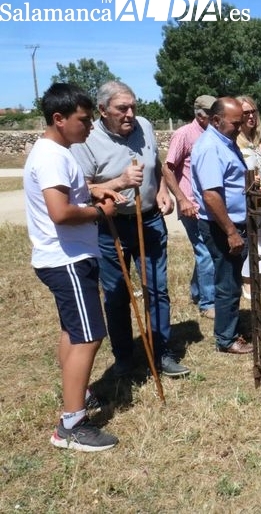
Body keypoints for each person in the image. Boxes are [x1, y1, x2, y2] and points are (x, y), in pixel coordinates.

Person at [24, 83, 123, 451]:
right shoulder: (52, 156)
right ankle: (71, 424)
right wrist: (100, 211)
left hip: (66, 257)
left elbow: (67, 193)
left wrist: (93, 190)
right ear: (59, 118)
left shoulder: (56, 152)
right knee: (88, 336)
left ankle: (76, 395)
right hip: (66, 259)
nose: (90, 126)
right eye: (84, 119)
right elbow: (60, 212)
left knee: (72, 330)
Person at [71, 80, 190, 378]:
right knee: (116, 295)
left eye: (133, 107)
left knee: (157, 290)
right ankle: (124, 357)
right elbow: (84, 189)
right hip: (110, 225)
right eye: (122, 108)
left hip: (149, 220)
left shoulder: (144, 126)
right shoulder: (87, 139)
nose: (130, 114)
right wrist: (120, 182)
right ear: (102, 110)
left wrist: (162, 191)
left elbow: (156, 165)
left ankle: (161, 353)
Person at [191, 97, 253, 354]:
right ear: (216, 120)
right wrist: (230, 231)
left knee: (232, 278)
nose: (240, 127)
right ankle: (226, 339)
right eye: (235, 123)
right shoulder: (210, 148)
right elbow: (211, 195)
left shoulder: (224, 142)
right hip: (223, 226)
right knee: (227, 282)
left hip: (234, 223)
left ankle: (230, 327)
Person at [162, 94, 216, 319]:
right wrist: (182, 199)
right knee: (206, 251)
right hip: (191, 205)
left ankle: (197, 291)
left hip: (210, 204)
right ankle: (208, 303)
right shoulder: (184, 134)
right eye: (213, 115)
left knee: (206, 250)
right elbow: (167, 168)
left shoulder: (214, 134)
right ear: (201, 116)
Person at [235, 95, 261, 299]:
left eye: (253, 112)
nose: (251, 116)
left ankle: (260, 279)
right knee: (251, 239)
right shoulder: (235, 141)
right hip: (247, 198)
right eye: (246, 113)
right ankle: (248, 284)